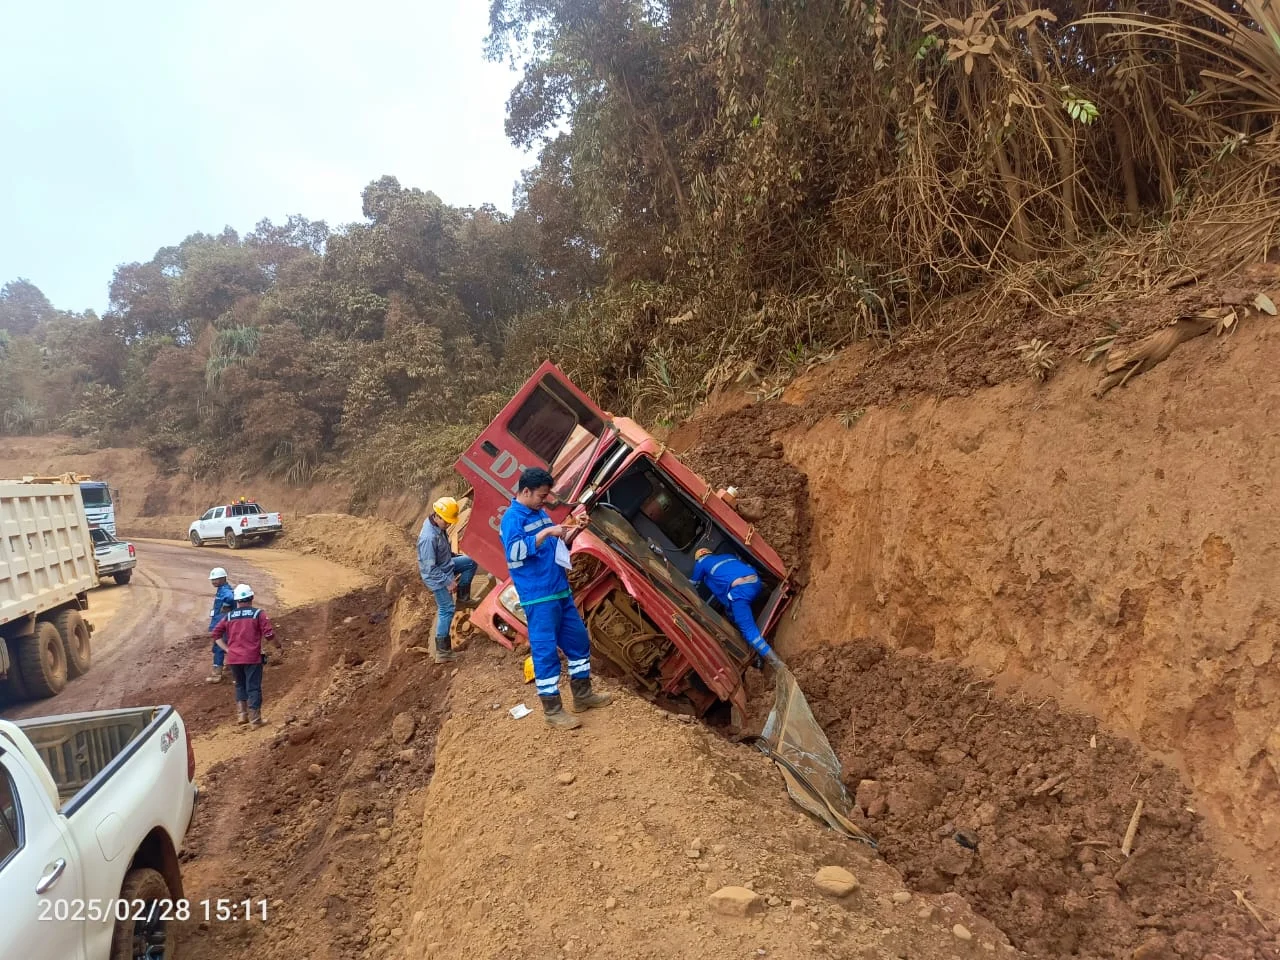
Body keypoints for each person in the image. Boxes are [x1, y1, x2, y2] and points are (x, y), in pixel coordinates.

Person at [500, 467, 611, 729]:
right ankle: (553, 711)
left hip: (559, 588)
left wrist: (573, 531)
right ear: (525, 492)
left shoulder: (540, 513)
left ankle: (583, 695)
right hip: (538, 596)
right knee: (545, 651)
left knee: (578, 641)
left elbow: (557, 545)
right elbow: (514, 552)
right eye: (541, 495)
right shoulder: (512, 519)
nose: (544, 500)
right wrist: (547, 532)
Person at [211, 583, 285, 727]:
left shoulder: (229, 616)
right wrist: (278, 646)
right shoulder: (258, 614)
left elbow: (215, 634)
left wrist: (226, 649)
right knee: (253, 687)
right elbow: (269, 634)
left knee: (240, 685)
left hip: (233, 658)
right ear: (251, 597)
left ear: (237, 600)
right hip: (252, 657)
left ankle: (242, 715)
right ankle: (256, 720)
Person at [417, 496, 479, 664]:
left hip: (446, 564)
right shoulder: (428, 538)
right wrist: (448, 582)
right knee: (446, 610)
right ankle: (443, 652)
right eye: (447, 522)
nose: (449, 524)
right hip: (436, 577)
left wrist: (452, 556)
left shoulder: (437, 524)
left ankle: (464, 599)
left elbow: (441, 550)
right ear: (437, 516)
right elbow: (430, 569)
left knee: (471, 562)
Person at [691, 548, 775, 661]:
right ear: (711, 553)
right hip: (755, 582)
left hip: (740, 592)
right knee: (732, 610)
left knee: (749, 632)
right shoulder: (726, 555)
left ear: (698, 559)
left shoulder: (701, 563)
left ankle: (777, 664)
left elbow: (692, 584)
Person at [205, 567, 236, 683]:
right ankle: (230, 670)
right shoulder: (221, 589)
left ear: (223, 578)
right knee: (221, 647)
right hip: (221, 624)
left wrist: (227, 605)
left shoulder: (225, 591)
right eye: (212, 580)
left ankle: (216, 675)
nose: (213, 582)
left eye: (216, 579)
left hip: (223, 626)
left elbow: (231, 598)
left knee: (219, 647)